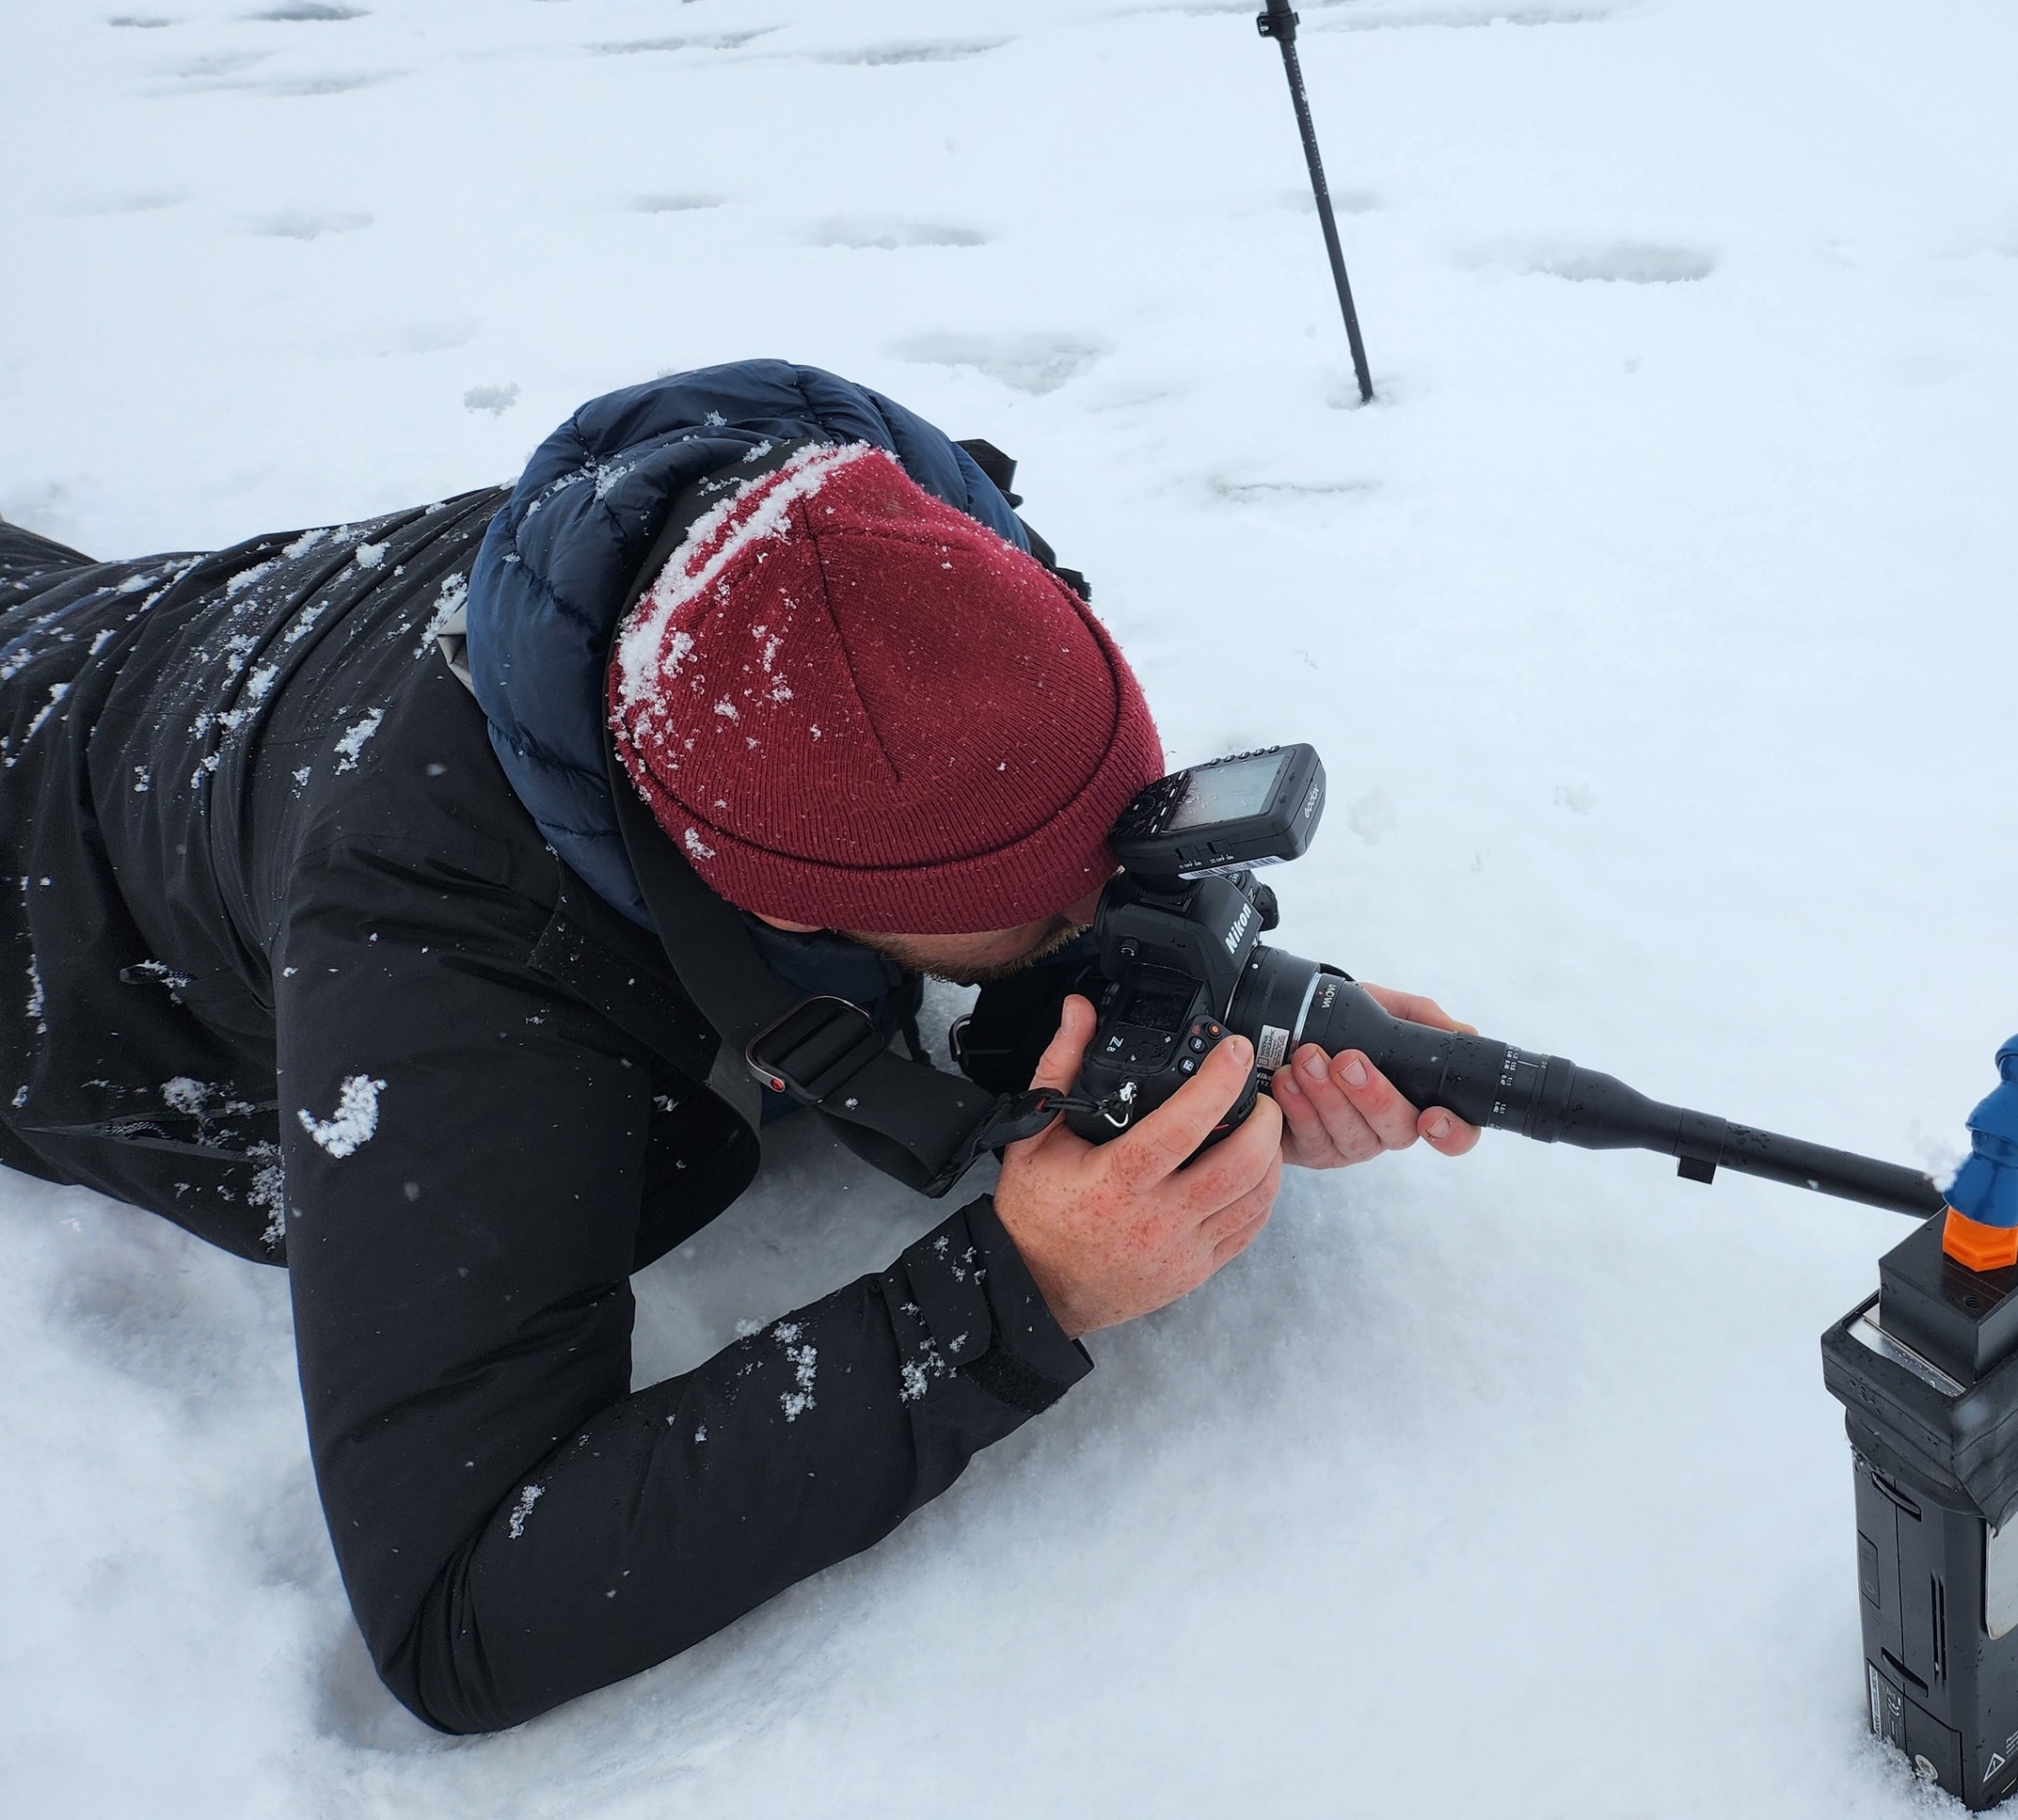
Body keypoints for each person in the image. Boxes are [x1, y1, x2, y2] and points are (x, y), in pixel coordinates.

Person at [0, 360, 1476, 1733]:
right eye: (1040, 917)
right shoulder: (443, 957)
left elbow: (959, 846)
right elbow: (461, 1607)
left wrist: (1216, 1018)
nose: (1101, 908)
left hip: (141, 643)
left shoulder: (860, 543)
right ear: (773, 903)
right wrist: (1020, 1290)